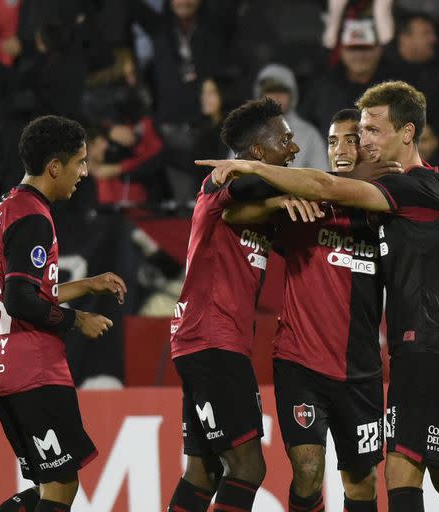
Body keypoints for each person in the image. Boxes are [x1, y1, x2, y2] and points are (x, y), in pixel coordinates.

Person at [199, 80, 439, 512]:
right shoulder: (319, 203)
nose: (344, 147)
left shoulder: (389, 203)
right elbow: (235, 214)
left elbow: (335, 188)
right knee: (323, 472)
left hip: (373, 366)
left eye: (361, 136)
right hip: (306, 361)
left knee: (378, 480)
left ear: (394, 138)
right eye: (334, 139)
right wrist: (277, 202)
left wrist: (256, 168)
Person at [0, 115, 127, 512]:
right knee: (61, 485)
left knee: (52, 484)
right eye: (79, 162)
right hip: (34, 369)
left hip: (3, 366)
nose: (85, 171)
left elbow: (25, 286)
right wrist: (78, 319)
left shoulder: (5, 207)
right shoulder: (33, 217)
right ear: (54, 167)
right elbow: (21, 299)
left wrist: (87, 284)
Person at [166, 97, 300, 512]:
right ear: (257, 152)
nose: (293, 149)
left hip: (205, 340)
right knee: (247, 468)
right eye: (285, 140)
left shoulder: (255, 211)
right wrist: (253, 175)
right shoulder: (219, 184)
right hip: (212, 340)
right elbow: (243, 185)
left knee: (203, 471)